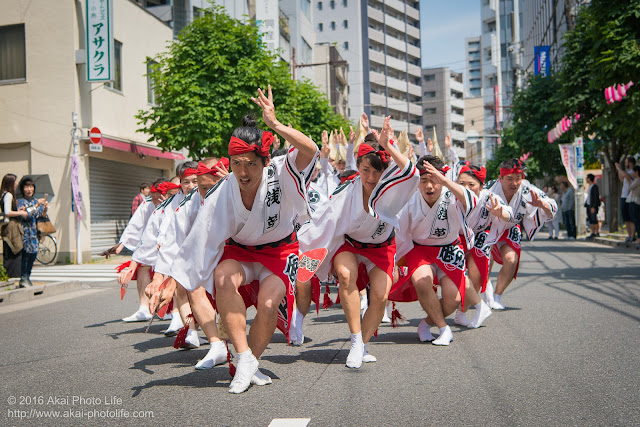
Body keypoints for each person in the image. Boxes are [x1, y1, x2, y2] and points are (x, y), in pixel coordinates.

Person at [168, 85, 318, 394]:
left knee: (267, 303)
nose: (243, 171)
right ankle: (244, 356)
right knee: (223, 278)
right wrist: (176, 276)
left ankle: (250, 362)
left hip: (280, 251)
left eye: (251, 163)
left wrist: (275, 125)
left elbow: (310, 150)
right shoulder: (225, 189)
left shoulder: (282, 171)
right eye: (236, 163)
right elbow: (203, 235)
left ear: (264, 161)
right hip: (243, 252)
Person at [299, 116, 419, 368]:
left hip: (381, 247)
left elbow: (412, 175)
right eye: (366, 170)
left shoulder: (391, 189)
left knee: (380, 296)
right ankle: (355, 340)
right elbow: (322, 220)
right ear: (358, 166)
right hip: (350, 245)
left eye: (378, 171)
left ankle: (362, 343)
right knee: (344, 274)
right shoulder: (346, 190)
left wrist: (390, 147)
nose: (372, 177)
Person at [486, 158, 558, 309]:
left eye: (518, 179)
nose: (514, 183)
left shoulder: (526, 189)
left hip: (510, 228)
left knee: (512, 260)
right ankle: (486, 291)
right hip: (488, 227)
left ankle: (497, 296)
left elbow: (550, 204)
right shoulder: (490, 188)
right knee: (486, 259)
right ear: (500, 178)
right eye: (510, 179)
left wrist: (542, 205)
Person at [16, 177, 48, 287]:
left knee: (33, 255)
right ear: (22, 189)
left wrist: (45, 209)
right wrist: (37, 206)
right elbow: (27, 215)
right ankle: (23, 277)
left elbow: (40, 216)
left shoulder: (35, 201)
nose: (29, 189)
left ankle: (27, 277)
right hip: (24, 232)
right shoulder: (20, 202)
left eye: (31, 187)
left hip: (34, 233)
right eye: (26, 187)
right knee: (25, 255)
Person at [1, 174, 27, 278]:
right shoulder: (8, 195)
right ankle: (14, 276)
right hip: (11, 227)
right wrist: (21, 213)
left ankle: (10, 276)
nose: (17, 183)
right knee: (15, 250)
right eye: (15, 181)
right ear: (11, 183)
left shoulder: (3, 194)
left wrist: (17, 210)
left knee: (10, 251)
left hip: (7, 226)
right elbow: (7, 212)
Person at [615, 158, 636, 242]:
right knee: (626, 217)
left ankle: (632, 235)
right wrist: (619, 170)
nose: (625, 163)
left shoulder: (633, 172)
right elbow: (621, 178)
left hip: (630, 196)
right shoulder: (626, 171)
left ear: (630, 163)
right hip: (623, 196)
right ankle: (629, 234)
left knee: (631, 217)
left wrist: (619, 169)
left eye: (626, 162)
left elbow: (627, 177)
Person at [627, 166, 640, 243]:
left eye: (633, 172)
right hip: (633, 200)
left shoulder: (638, 180)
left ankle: (639, 237)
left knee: (636, 219)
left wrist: (629, 180)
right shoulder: (636, 180)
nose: (632, 173)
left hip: (636, 201)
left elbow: (630, 187)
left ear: (637, 172)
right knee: (634, 219)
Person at [585, 173, 600, 239]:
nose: (586, 179)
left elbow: (595, 197)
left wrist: (593, 206)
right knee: (590, 219)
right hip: (588, 205)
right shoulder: (589, 187)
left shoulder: (594, 187)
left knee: (594, 219)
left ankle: (596, 232)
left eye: (587, 178)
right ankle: (592, 232)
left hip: (592, 206)